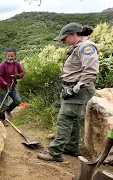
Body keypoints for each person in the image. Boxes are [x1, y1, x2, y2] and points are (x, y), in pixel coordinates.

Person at [37, 22, 99, 162]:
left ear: (73, 34)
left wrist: (74, 89)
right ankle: (71, 147)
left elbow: (90, 72)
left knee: (64, 119)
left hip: (78, 90)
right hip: (72, 88)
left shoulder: (86, 47)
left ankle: (55, 152)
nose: (62, 40)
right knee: (73, 119)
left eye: (64, 38)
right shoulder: (76, 46)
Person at [0, 47, 24, 126]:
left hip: (13, 86)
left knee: (17, 101)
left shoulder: (16, 64)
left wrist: (17, 76)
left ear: (15, 56)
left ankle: (8, 110)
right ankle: (2, 119)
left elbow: (22, 73)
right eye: (8, 56)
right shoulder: (3, 65)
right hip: (3, 87)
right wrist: (6, 84)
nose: (10, 58)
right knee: (3, 104)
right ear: (6, 56)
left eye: (12, 56)